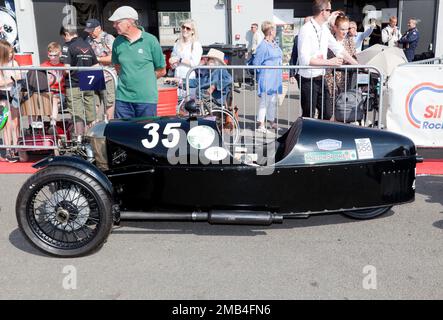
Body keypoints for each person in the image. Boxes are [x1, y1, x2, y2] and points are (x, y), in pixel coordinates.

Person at [298, 0, 358, 120]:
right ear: (323, 11)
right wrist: (330, 62)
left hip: (321, 77)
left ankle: (318, 136)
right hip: (308, 79)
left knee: (327, 113)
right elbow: (305, 59)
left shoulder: (324, 29)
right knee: (308, 115)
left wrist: (358, 64)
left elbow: (338, 49)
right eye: (330, 10)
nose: (331, 13)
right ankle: (303, 137)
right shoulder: (306, 29)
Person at [110, 6, 166, 119]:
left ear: (129, 22)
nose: (114, 25)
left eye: (117, 22)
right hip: (123, 99)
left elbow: (161, 70)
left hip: (146, 99)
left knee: (145, 134)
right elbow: (117, 67)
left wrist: (144, 80)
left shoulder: (151, 41)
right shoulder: (117, 42)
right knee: (123, 134)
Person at [60, 24, 98, 136]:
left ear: (67, 34)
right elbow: (96, 66)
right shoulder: (87, 44)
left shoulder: (68, 46)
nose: (64, 39)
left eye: (64, 37)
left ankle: (80, 142)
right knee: (91, 113)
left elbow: (66, 70)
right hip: (89, 81)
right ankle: (93, 138)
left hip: (74, 83)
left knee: (77, 115)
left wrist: (62, 73)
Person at [325, 15, 358, 117]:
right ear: (335, 28)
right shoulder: (329, 40)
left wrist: (351, 62)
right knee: (329, 105)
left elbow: (354, 56)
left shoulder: (349, 41)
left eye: (347, 29)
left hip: (345, 77)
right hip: (330, 77)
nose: (345, 32)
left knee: (343, 104)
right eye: (342, 29)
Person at [253, 21, 283, 133]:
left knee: (273, 101)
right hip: (267, 76)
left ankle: (272, 122)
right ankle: (261, 124)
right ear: (270, 31)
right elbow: (256, 63)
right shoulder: (263, 45)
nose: (275, 32)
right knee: (265, 101)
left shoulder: (274, 44)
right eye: (274, 30)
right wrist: (262, 73)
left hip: (275, 77)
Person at [85, 18, 117, 121]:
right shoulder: (88, 39)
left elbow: (113, 58)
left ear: (98, 28)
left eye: (92, 30)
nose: (90, 33)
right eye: (88, 31)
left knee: (109, 102)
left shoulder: (108, 38)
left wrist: (96, 59)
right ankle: (94, 127)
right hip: (91, 75)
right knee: (92, 102)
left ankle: (108, 125)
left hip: (107, 75)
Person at [168, 19, 202, 99]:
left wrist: (179, 59)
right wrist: (172, 62)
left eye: (188, 28)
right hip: (177, 77)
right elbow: (174, 62)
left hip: (189, 78)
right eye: (183, 27)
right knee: (178, 106)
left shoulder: (196, 44)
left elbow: (195, 63)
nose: (184, 30)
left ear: (193, 31)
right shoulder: (177, 44)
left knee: (188, 106)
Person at [0, 39, 20, 162]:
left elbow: (19, 76)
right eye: (9, 52)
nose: (11, 55)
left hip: (15, 93)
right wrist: (13, 79)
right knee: (6, 123)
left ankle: (17, 148)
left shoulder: (15, 63)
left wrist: (13, 79)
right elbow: (1, 83)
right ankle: (8, 150)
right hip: (3, 94)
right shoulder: (1, 65)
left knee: (16, 122)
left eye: (12, 52)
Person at [40, 42, 65, 125]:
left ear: (60, 54)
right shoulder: (43, 66)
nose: (53, 58)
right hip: (46, 93)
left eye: (55, 55)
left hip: (59, 93)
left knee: (54, 100)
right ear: (48, 54)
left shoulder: (63, 66)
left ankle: (53, 123)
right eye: (51, 55)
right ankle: (37, 124)